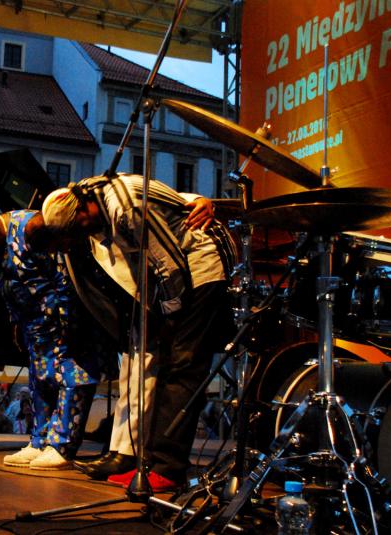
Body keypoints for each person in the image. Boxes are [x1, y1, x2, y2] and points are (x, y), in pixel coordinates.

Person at [41, 173, 235, 490]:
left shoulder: (123, 207)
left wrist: (168, 315)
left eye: (82, 226)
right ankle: (152, 464)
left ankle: (167, 469)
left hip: (201, 267)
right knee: (169, 367)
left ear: (84, 208)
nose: (86, 233)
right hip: (184, 272)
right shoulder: (94, 195)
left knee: (182, 367)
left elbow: (169, 266)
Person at [0, 210, 104, 470]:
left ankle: (62, 446)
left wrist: (68, 323)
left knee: (70, 379)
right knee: (40, 382)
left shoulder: (32, 229)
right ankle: (40, 441)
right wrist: (17, 323)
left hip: (62, 324)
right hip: (35, 327)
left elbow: (64, 276)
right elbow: (7, 286)